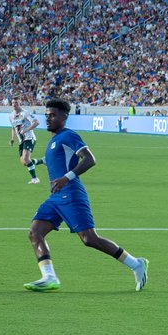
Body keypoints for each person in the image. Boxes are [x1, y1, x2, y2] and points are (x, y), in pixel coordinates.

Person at [24, 98, 149, 292]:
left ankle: (136, 264)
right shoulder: (54, 140)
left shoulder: (68, 136)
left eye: (53, 115)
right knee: (35, 232)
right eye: (46, 115)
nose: (48, 119)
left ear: (64, 117)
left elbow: (90, 159)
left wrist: (67, 177)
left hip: (71, 194)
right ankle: (49, 277)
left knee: (89, 239)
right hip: (56, 197)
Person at [8, 99, 43, 184]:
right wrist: (13, 139)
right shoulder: (11, 116)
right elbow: (13, 128)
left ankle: (35, 178)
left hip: (29, 138)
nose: (14, 104)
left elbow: (36, 122)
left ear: (20, 103)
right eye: (13, 102)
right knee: (24, 162)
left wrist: (27, 129)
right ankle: (42, 161)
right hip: (21, 141)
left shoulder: (25, 113)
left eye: (16, 102)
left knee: (26, 158)